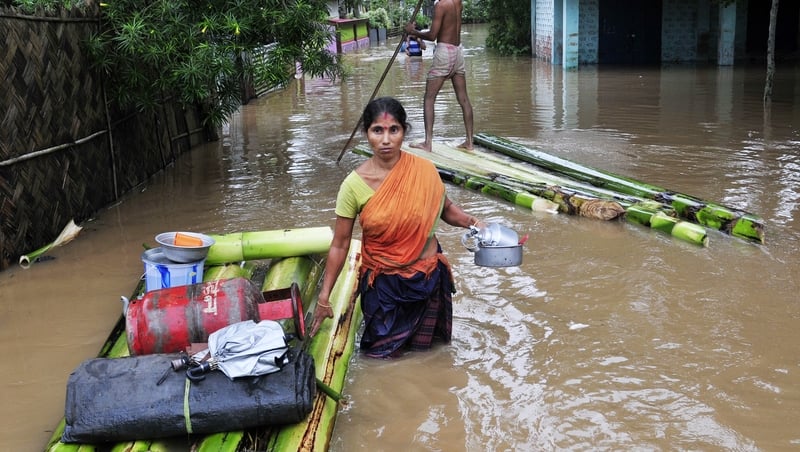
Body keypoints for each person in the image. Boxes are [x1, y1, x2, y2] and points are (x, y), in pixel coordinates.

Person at [308, 97, 485, 359]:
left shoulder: (424, 170)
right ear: (366, 133)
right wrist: (324, 298)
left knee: (431, 356)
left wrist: (474, 223)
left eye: (394, 130)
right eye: (377, 130)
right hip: (384, 288)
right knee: (380, 358)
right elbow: (340, 244)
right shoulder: (353, 186)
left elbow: (445, 208)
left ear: (404, 131)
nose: (386, 140)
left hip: (428, 280)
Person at [405, 0, 473, 151]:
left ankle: (427, 143)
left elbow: (432, 35)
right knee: (464, 99)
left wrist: (413, 31)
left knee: (429, 98)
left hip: (445, 53)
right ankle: (469, 141)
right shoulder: (458, 2)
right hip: (458, 51)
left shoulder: (441, 5)